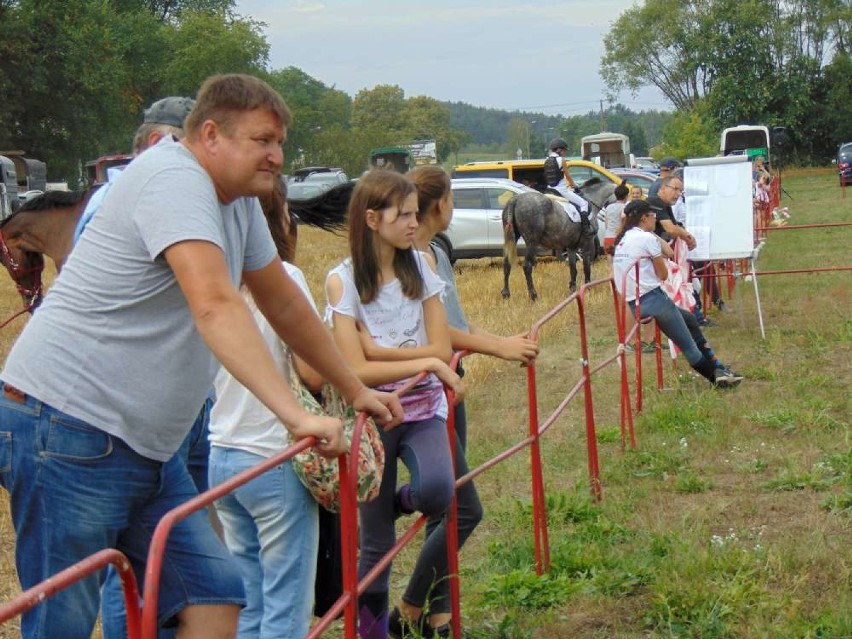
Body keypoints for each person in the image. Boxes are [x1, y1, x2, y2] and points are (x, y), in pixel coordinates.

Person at [0, 73, 401, 639]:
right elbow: (214, 303)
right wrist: (296, 415)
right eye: (264, 140)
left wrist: (354, 389)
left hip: (145, 449)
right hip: (66, 428)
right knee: (62, 620)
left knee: (214, 597)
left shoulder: (235, 202)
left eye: (280, 143)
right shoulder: (173, 180)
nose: (278, 156)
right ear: (211, 134)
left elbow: (282, 301)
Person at [324, 169, 464, 639]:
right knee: (376, 542)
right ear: (371, 218)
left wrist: (383, 353)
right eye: (402, 214)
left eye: (413, 213)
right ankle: (373, 631)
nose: (412, 222)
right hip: (373, 418)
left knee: (439, 493)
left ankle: (401, 501)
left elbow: (442, 351)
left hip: (424, 408)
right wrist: (423, 359)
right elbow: (354, 373)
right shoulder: (342, 283)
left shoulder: (422, 266)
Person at [399, 165, 539, 637]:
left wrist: (504, 338)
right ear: (439, 204)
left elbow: (459, 324)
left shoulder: (434, 250)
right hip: (429, 394)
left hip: (449, 385)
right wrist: (500, 348)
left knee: (451, 509)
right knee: (465, 508)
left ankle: (439, 619)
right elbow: (437, 335)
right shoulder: (412, 259)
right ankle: (408, 611)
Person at [207, 176, 321, 639]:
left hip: (222, 453)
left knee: (249, 604)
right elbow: (312, 372)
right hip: (273, 454)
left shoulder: (213, 283)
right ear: (282, 218)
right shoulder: (285, 280)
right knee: (286, 610)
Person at [612, 199, 743, 388]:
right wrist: (651, 239)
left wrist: (651, 235)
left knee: (689, 319)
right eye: (653, 216)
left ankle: (718, 366)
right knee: (688, 345)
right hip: (654, 299)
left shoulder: (623, 239)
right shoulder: (645, 239)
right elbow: (664, 274)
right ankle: (718, 380)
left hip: (635, 302)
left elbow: (668, 251)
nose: (656, 220)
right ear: (643, 218)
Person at [544, 137, 595, 235]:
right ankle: (585, 228)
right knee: (583, 203)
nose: (565, 153)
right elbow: (568, 177)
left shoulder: (547, 160)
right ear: (560, 149)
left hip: (549, 190)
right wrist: (575, 186)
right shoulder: (561, 160)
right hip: (561, 191)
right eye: (564, 151)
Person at [603, 183, 630, 262]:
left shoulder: (609, 207)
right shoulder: (625, 208)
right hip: (620, 238)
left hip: (608, 236)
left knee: (611, 264)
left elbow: (606, 224)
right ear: (626, 196)